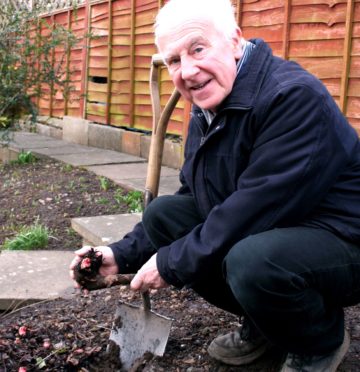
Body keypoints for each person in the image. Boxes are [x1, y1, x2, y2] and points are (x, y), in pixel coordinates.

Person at [70, 0, 360, 370]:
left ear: (235, 41)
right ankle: (268, 324)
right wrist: (120, 254)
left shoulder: (292, 98)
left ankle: (318, 340)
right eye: (174, 60)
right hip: (282, 228)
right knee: (165, 218)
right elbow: (196, 194)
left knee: (253, 262)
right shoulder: (209, 107)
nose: (188, 70)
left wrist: (170, 262)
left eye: (198, 49)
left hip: (343, 238)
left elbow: (255, 210)